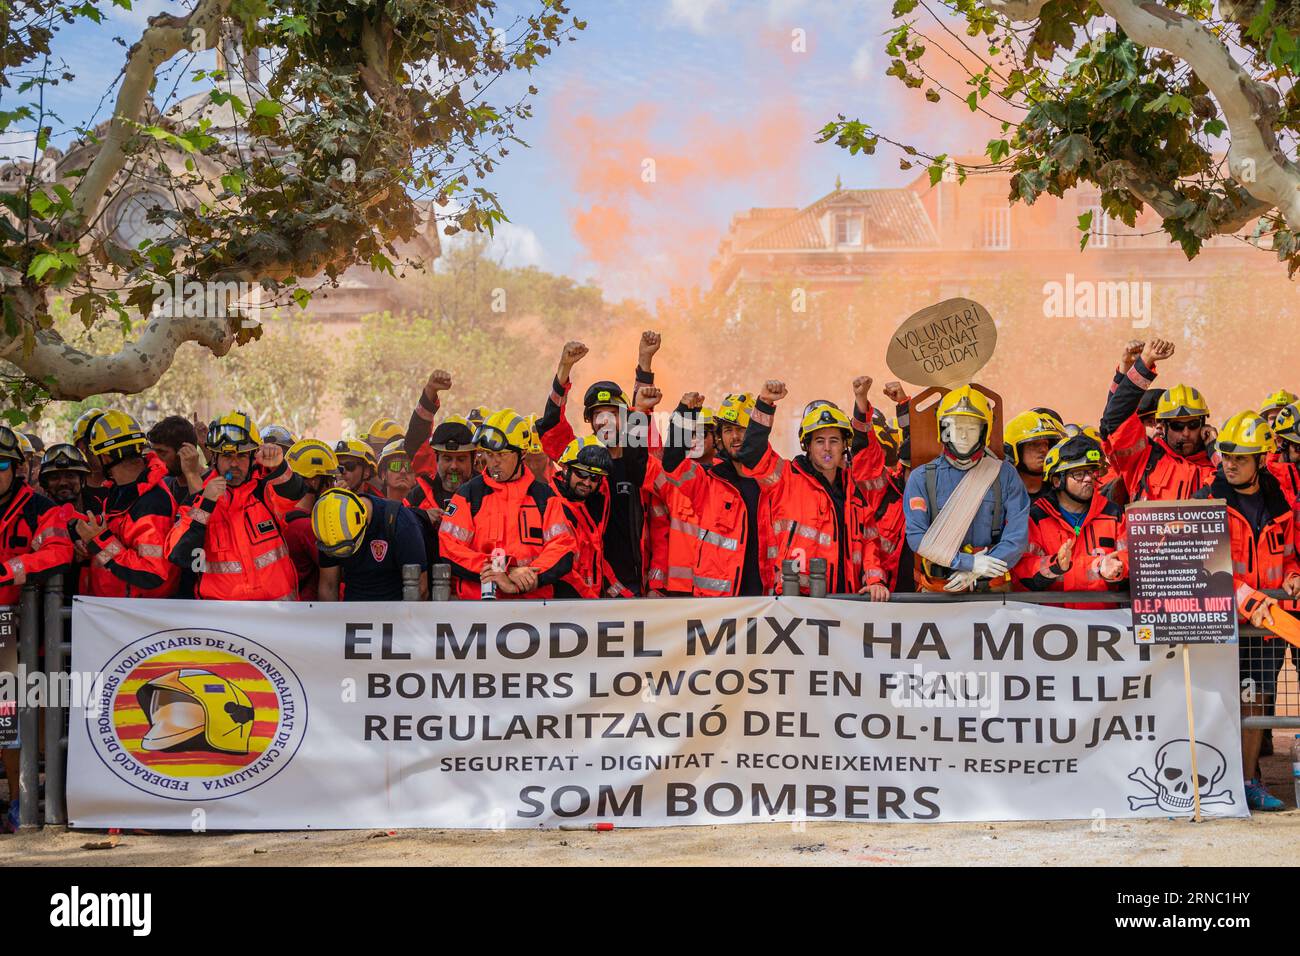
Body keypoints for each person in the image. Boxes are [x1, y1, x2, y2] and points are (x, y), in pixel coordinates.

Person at [1190, 412, 1300, 811]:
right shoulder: (1207, 500)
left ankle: (1248, 781)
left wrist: (1291, 575)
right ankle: (1208, 782)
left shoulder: (1278, 501)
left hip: (1264, 629)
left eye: (1240, 458)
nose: (1229, 464)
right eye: (1225, 456)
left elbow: (1288, 553)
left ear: (1261, 460)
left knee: (1254, 701)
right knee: (1213, 702)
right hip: (1219, 624)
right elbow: (1198, 562)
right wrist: (1245, 597)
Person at [537, 334, 660, 595]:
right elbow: (550, 428)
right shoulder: (580, 458)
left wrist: (645, 360)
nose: (605, 421)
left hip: (637, 583)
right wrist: (563, 370)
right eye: (598, 415)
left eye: (613, 414)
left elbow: (643, 410)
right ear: (590, 421)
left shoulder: (640, 459)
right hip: (590, 584)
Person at [734, 379, 868, 594]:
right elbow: (751, 456)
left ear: (844, 445)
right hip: (795, 605)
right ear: (807, 445)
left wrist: (874, 581)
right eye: (819, 441)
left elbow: (867, 543)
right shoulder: (786, 478)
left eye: (834, 441)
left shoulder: (853, 491)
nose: (827, 448)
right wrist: (765, 403)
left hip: (846, 603)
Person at [903, 385, 1031, 593]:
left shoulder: (1005, 475)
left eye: (971, 429)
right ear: (943, 430)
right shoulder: (922, 478)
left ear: (984, 432)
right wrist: (969, 563)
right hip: (939, 589)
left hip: (992, 590)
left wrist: (979, 570)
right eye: (955, 427)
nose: (963, 436)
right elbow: (917, 537)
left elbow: (1017, 538)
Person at [439, 409, 575, 600]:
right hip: (479, 612)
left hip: (535, 612)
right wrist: (503, 570)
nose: (493, 462)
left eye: (501, 455)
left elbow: (563, 547)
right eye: (489, 454)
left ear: (522, 453)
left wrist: (529, 577)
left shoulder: (545, 497)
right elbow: (449, 547)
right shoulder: (469, 494)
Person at [166, 412, 302, 601]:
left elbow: (296, 492)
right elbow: (177, 553)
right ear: (214, 457)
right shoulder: (200, 499)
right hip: (224, 621)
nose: (234, 464)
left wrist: (279, 465)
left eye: (241, 456)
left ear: (253, 456)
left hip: (277, 617)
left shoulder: (264, 490)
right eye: (227, 456)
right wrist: (205, 504)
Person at [652, 391, 772, 597]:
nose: (735, 437)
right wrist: (684, 415)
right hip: (717, 606)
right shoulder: (707, 482)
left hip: (768, 602)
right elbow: (673, 465)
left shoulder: (774, 481)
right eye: (727, 430)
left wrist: (767, 405)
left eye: (742, 429)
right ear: (720, 437)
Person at [73, 410, 180, 598]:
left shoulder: (152, 501)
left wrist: (99, 541)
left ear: (105, 457)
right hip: (114, 611)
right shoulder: (119, 491)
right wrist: (90, 547)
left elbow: (151, 572)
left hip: (137, 618)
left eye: (90, 452)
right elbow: (121, 546)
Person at [1013, 434, 1127, 605]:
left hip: (1105, 623)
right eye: (1079, 474)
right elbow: (1021, 570)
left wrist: (1119, 569)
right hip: (1052, 624)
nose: (1088, 479)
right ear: (1058, 480)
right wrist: (1055, 565)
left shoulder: (1114, 514)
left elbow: (1134, 559)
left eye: (1090, 472)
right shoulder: (1035, 518)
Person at [1100, 338, 1215, 502]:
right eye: (1177, 426)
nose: (1186, 433)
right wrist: (1144, 363)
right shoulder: (1143, 456)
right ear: (1163, 426)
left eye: (1193, 424)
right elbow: (1115, 420)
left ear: (1204, 425)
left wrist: (1214, 448)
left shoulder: (1220, 464)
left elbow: (1232, 483)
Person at [313, 487, 428, 601]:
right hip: (351, 612)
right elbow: (329, 586)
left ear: (363, 523)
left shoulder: (400, 522)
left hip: (396, 611)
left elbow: (420, 589)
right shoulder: (328, 532)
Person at [549, 436, 630, 598]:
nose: (587, 482)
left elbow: (596, 559)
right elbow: (563, 568)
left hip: (587, 606)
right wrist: (591, 601)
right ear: (565, 468)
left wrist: (622, 596)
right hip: (563, 605)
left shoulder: (588, 504)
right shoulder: (550, 503)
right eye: (582, 473)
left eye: (594, 477)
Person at [1003, 410, 1065, 502]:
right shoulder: (1002, 493)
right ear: (1014, 451)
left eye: (1046, 444)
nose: (1044, 450)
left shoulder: (1061, 492)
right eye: (1034, 444)